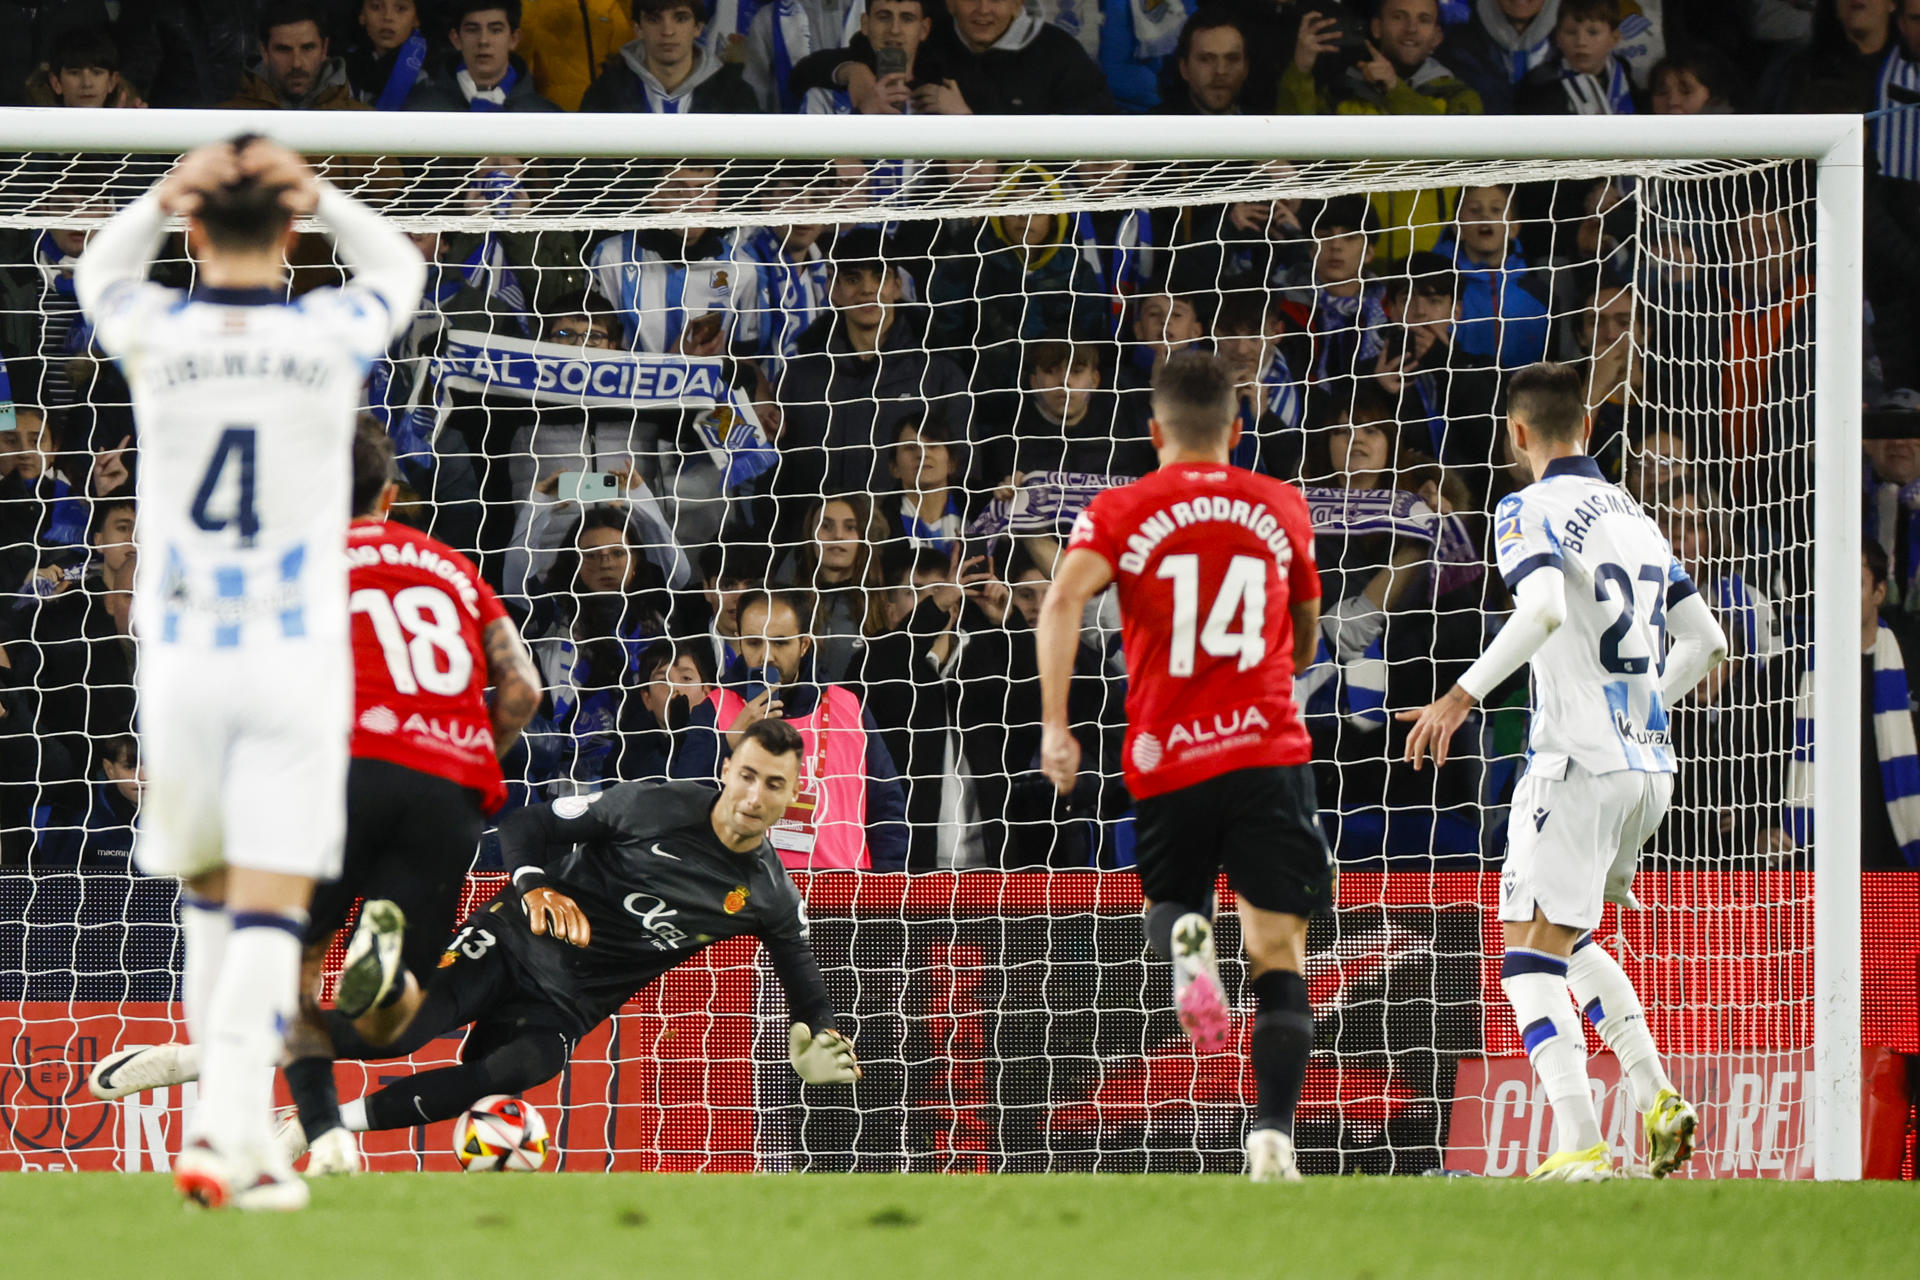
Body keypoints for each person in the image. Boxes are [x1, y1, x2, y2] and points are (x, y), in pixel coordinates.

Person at [71, 136, 424, 1210]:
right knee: (272, 906)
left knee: (208, 897)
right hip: (287, 656)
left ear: (189, 234)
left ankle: (221, 1133)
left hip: (177, 658)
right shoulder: (322, 334)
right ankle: (235, 1135)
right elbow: (398, 268)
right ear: (287, 240)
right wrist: (322, 193)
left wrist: (157, 191)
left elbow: (99, 270)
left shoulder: (158, 329)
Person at [86, 720, 864, 1150]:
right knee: (385, 1034)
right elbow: (525, 822)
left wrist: (816, 1038)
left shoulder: (767, 894)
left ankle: (305, 1130)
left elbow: (805, 985)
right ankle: (191, 1058)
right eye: (748, 775)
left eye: (776, 786)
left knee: (525, 1065)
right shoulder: (652, 804)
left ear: (795, 799)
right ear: (726, 768)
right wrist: (529, 885)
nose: (755, 796)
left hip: (567, 1004)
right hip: (512, 940)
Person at [1397, 361, 1727, 1181]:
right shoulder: (1637, 516)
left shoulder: (1525, 506)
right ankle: (1657, 1097)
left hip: (1575, 761)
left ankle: (1578, 1144)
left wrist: (1458, 698)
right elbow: (1709, 642)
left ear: (1517, 432)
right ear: (1586, 426)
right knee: (1567, 936)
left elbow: (1541, 608)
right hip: (1648, 766)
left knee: (1525, 960)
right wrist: (1641, 709)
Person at [1037, 351, 1329, 1183]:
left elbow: (1062, 600)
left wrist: (1058, 727)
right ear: (1238, 432)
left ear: (1154, 430)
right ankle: (1272, 1136)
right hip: (1266, 750)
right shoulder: (1280, 504)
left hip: (1169, 755)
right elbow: (1305, 628)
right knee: (1279, 952)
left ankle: (1189, 951)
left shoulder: (1122, 507)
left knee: (1175, 903)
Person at [672, 589, 909, 870]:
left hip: (842, 892)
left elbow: (887, 811)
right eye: (753, 642)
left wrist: (883, 892)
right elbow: (681, 807)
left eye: (781, 642)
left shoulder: (849, 708)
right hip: (745, 893)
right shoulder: (714, 709)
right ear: (739, 644)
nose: (766, 656)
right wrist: (729, 745)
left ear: (804, 646)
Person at [578, 0, 761, 112]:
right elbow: (586, 165)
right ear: (637, 28)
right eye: (654, 19)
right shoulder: (605, 93)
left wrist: (707, 174)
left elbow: (754, 167)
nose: (667, 31)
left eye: (680, 18)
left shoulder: (734, 94)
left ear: (698, 27)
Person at [404, 1, 565, 111]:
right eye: (472, 29)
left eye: (495, 30)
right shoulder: (421, 110)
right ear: (456, 39)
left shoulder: (545, 116)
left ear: (514, 38)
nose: (483, 41)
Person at [224, 3, 369, 110]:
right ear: (264, 52)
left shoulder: (367, 122)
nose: (296, 63)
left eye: (307, 48)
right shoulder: (225, 121)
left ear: (324, 48)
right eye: (283, 49)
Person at [1517, 0, 1639, 114]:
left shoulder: (1623, 73)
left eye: (1592, 32)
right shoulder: (1539, 85)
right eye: (1571, 32)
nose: (1581, 41)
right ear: (1558, 38)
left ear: (1615, 38)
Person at [1151, 8, 1252, 115]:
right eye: (1206, 59)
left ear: (1245, 68)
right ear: (1184, 68)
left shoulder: (1264, 122)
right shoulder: (1154, 124)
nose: (1220, 71)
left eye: (1232, 59)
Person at [344, 0, 429, 109]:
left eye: (400, 9)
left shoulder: (433, 74)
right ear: (362, 15)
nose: (388, 17)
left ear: (416, 18)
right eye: (376, 7)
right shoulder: (339, 71)